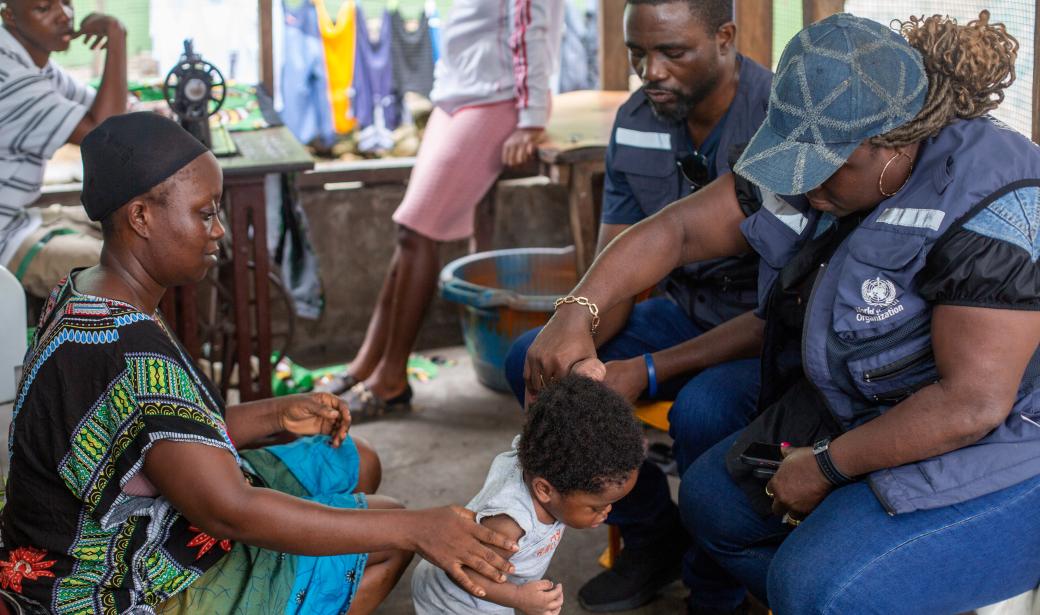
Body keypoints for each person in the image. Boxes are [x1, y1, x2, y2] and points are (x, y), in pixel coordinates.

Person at [525, 10, 1040, 614]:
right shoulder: (825, 164)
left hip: (1000, 443)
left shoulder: (993, 201)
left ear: (893, 145)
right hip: (868, 401)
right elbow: (681, 231)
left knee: (814, 587)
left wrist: (827, 467)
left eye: (826, 172)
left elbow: (971, 404)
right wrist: (575, 311)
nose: (807, 189)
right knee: (713, 503)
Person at [0, 113, 520, 615]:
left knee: (357, 463)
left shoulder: (85, 292)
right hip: (115, 578)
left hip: (140, 513)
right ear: (140, 217)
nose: (220, 230)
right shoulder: (129, 353)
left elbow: (150, 438)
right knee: (388, 534)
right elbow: (230, 510)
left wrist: (275, 416)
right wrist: (419, 529)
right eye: (205, 213)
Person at [502, 0, 771, 611]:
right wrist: (580, 337)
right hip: (681, 312)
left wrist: (647, 371)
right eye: (637, 54)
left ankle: (715, 586)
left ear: (725, 38)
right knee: (535, 361)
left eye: (672, 52)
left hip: (757, 330)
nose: (650, 71)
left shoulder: (780, 123)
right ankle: (653, 533)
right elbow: (613, 277)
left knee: (702, 413)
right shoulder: (634, 121)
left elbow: (782, 313)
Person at [319, 0, 565, 417]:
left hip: (498, 98)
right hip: (456, 95)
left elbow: (530, 25)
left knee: (417, 233)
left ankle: (391, 378)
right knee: (409, 232)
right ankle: (365, 365)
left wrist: (530, 118)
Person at [412, 374, 645, 615]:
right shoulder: (510, 526)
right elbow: (465, 571)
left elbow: (563, 419)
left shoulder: (545, 457)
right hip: (454, 603)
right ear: (544, 490)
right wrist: (518, 597)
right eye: (596, 507)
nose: (607, 512)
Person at [0, 0, 127, 298]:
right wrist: (116, 38)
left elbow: (104, 109)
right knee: (127, 267)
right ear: (10, 17)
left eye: (66, 2)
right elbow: (105, 131)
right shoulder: (10, 78)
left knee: (138, 231)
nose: (65, 15)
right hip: (4, 237)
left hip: (21, 217)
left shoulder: (31, 60)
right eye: (44, 8)